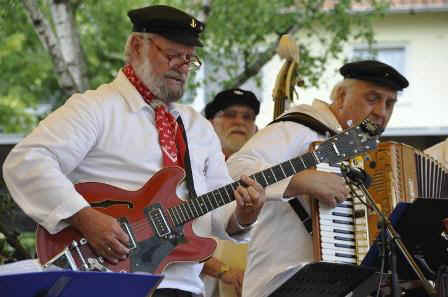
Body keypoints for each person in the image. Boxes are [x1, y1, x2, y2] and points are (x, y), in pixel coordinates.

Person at [2, 5, 266, 297]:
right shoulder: (96, 107)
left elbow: (216, 214)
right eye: (172, 55)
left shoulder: (197, 127)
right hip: (110, 281)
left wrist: (244, 215)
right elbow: (27, 161)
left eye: (189, 59)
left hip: (183, 286)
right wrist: (83, 216)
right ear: (137, 46)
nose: (182, 65)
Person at [226, 60, 409, 297]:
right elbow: (236, 168)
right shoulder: (299, 128)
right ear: (341, 96)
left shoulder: (365, 153)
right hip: (280, 281)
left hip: (339, 286)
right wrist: (299, 181)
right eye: (372, 98)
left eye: (390, 103)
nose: (381, 112)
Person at [201, 89, 260, 297]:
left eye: (247, 117)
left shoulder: (267, 175)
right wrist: (222, 270)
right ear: (209, 124)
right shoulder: (193, 171)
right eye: (230, 114)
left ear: (256, 128)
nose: (239, 122)